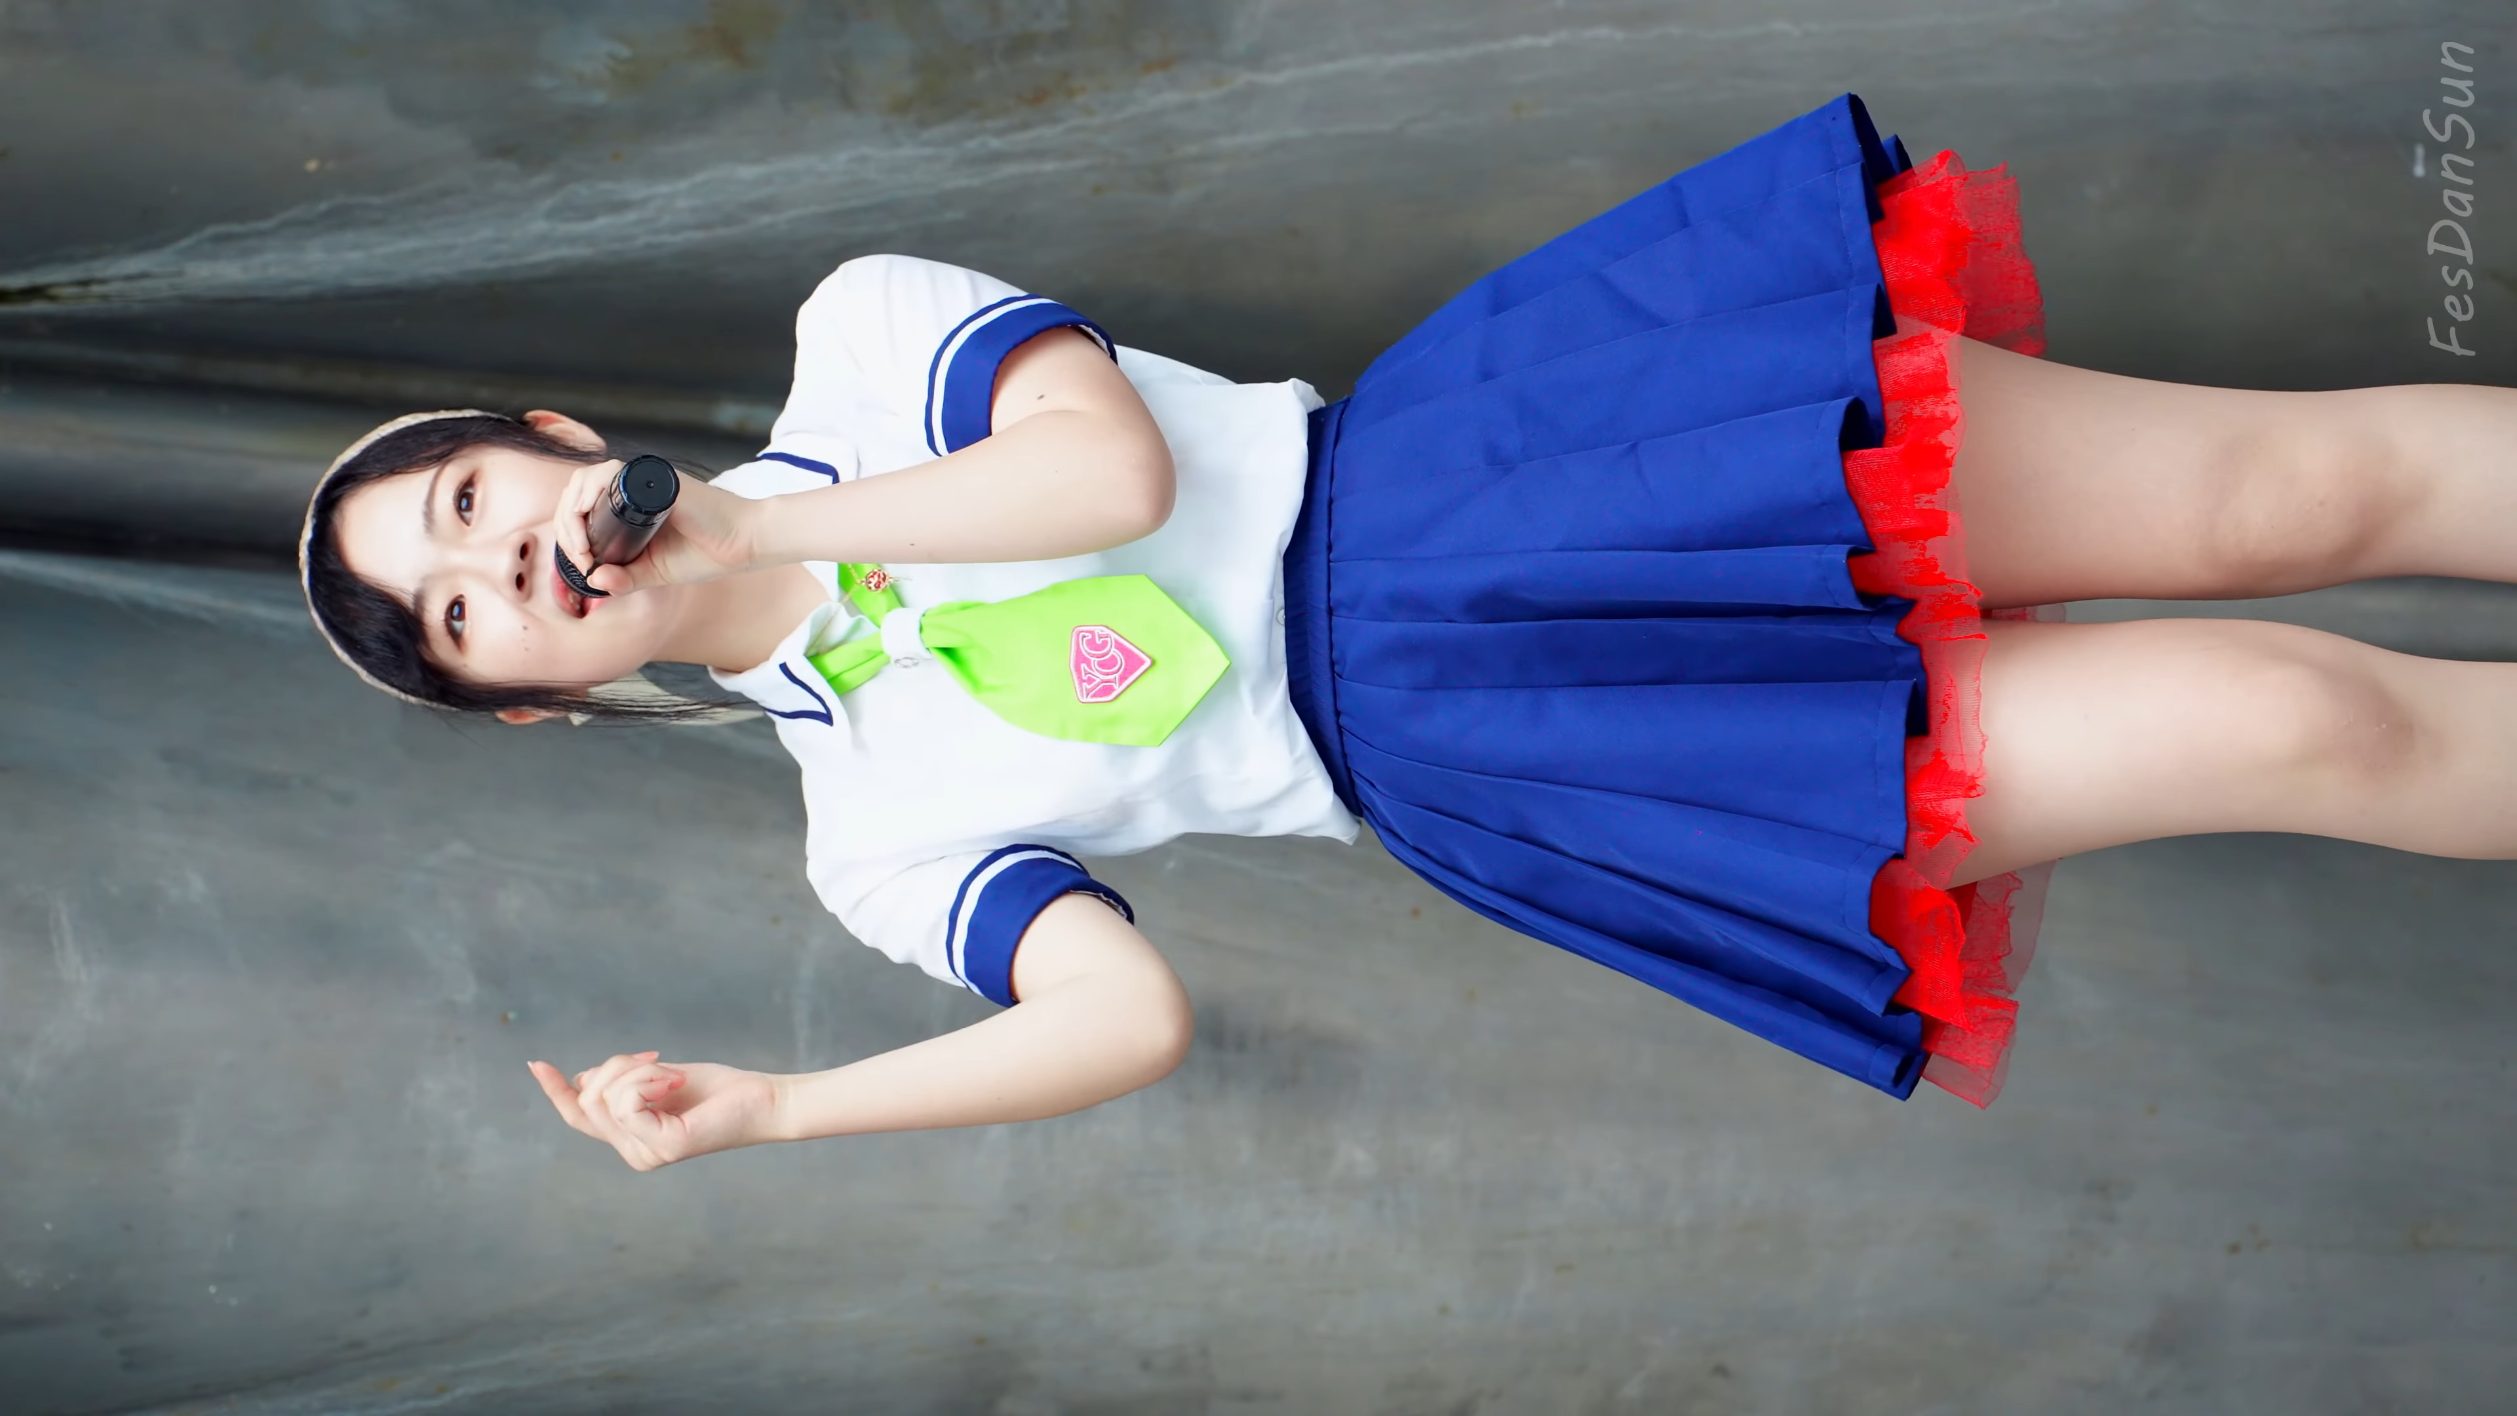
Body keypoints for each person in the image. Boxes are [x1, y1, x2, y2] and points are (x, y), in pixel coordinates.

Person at [299, 91, 2512, 1171]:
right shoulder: (867, 843)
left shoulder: (862, 340)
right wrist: (779, 1113)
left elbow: (1104, 479)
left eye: (472, 509)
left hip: (1507, 469)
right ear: (532, 704)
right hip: (1511, 751)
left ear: (551, 440)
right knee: (2284, 719)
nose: (506, 571)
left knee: (2279, 498)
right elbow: (1122, 1018)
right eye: (462, 619)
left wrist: (756, 535)